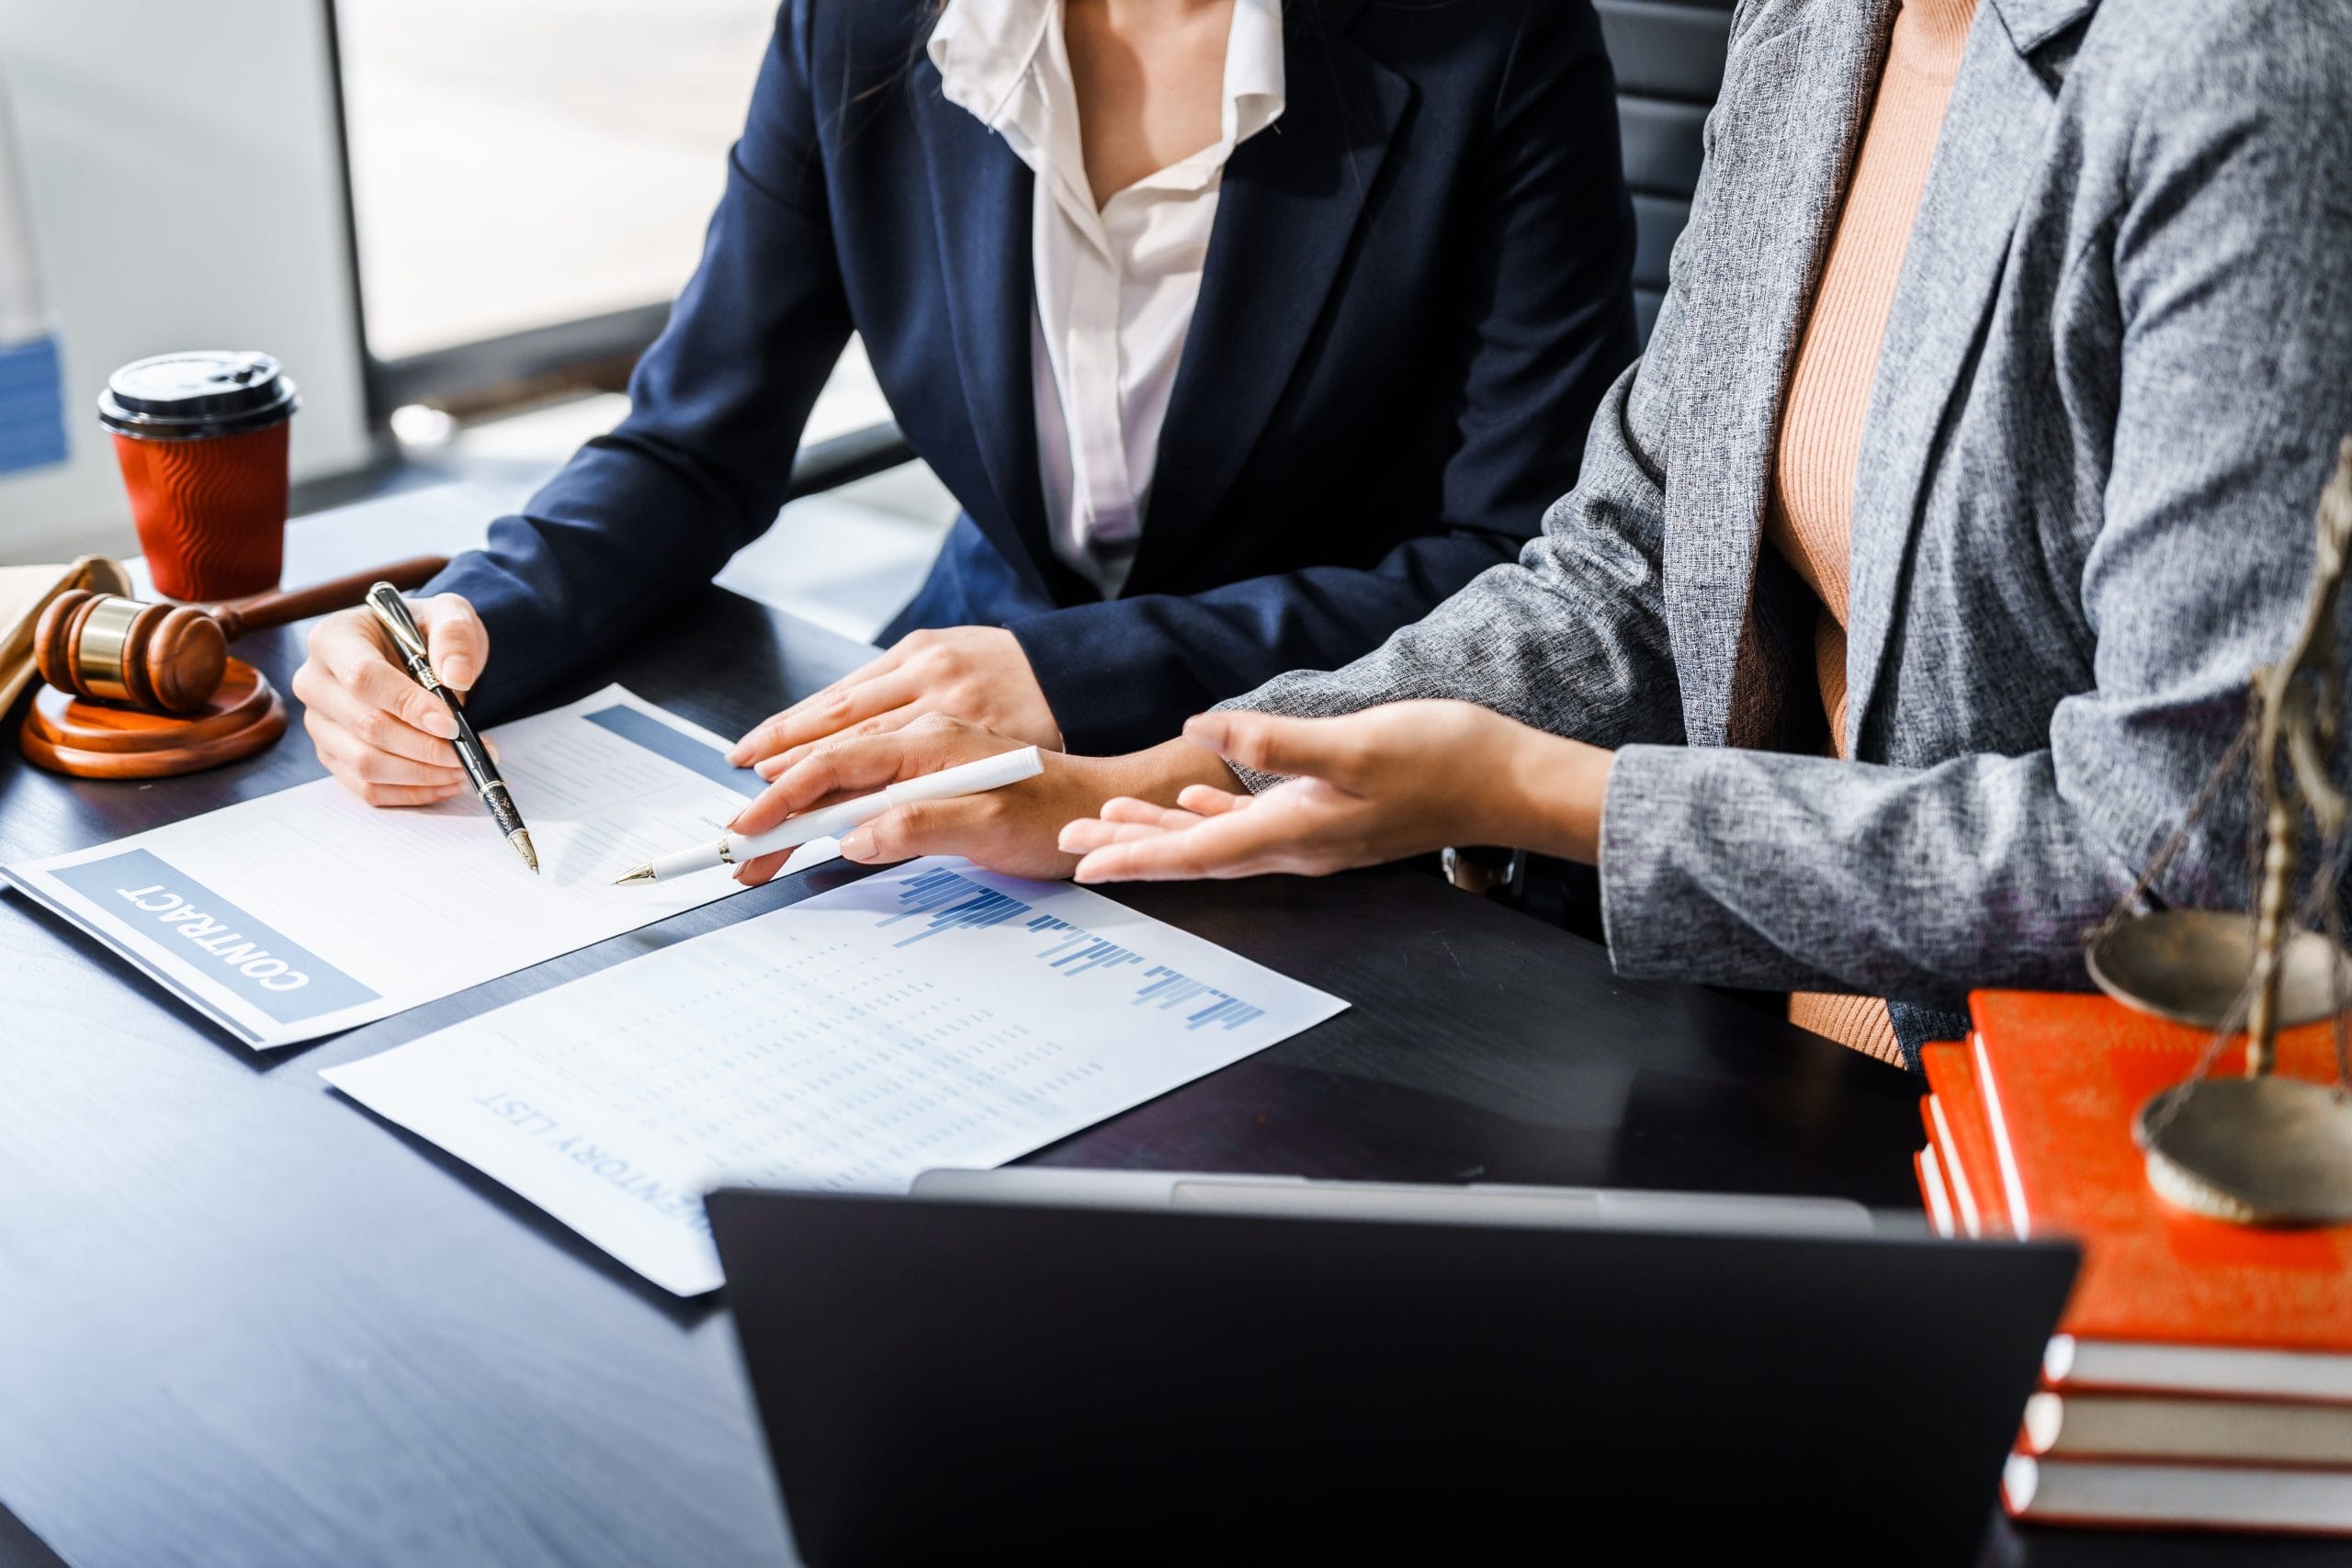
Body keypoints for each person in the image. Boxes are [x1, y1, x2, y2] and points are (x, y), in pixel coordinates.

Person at [731, 0, 2352, 1069]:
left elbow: (2182, 857)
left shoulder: (2243, 72)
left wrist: (1545, 796)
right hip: (1741, 1056)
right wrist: (1156, 782)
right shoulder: (1820, 20)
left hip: (2051, 1127)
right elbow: (1633, 557)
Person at [292, 0, 1638, 798]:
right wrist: (471, 621)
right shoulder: (865, 21)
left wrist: (1076, 675)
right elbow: (693, 441)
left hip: (1323, 748)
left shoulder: (1495, 40)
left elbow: (1521, 564)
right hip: (953, 696)